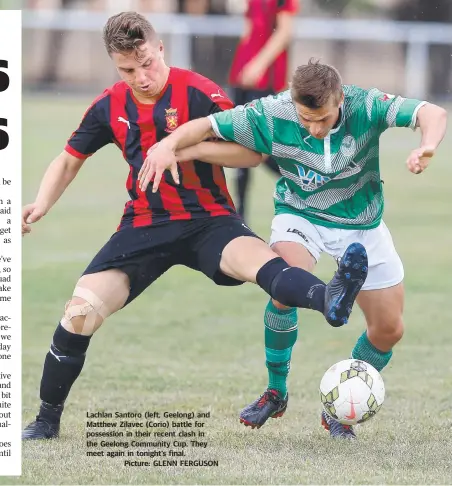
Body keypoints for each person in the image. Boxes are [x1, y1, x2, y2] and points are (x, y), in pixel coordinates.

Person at [21, 15, 368, 440]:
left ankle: (329, 297)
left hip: (210, 221)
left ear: (160, 48)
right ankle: (46, 421)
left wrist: (186, 149)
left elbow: (250, 154)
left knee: (268, 268)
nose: (141, 77)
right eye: (127, 70)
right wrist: (41, 203)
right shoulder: (109, 105)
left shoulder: (201, 92)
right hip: (145, 225)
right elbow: (70, 158)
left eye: (146, 63)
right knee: (78, 314)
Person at [138, 59, 448, 438]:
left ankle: (340, 403)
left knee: (389, 329)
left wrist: (427, 146)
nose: (315, 129)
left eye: (323, 118)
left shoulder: (365, 105)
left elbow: (431, 112)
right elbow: (207, 125)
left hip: (362, 224)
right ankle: (275, 390)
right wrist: (168, 145)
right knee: (283, 283)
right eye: (306, 119)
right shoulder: (272, 112)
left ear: (339, 101)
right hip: (300, 215)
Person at [229, 0, 299, 220]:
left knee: (261, 145)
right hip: (243, 75)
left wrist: (258, 64)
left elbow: (284, 33)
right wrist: (241, 64)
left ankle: (304, 183)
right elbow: (249, 29)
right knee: (239, 139)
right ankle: (239, 215)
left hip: (264, 78)